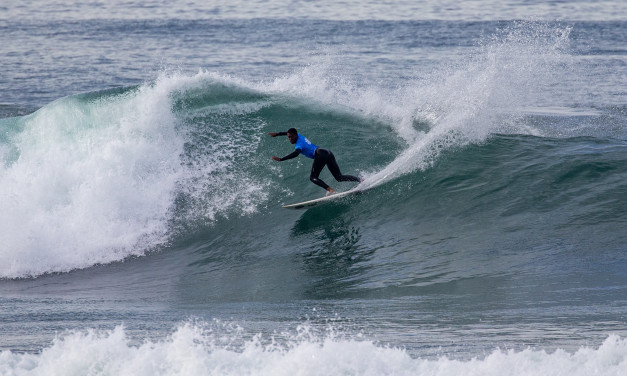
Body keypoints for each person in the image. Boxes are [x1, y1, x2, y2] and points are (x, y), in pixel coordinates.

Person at [268, 128, 361, 196]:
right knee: (339, 177)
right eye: (289, 137)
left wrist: (281, 159)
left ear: (296, 135)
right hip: (327, 152)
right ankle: (360, 180)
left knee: (313, 177)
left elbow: (296, 154)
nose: (290, 139)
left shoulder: (299, 145)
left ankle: (330, 190)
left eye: (292, 137)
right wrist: (277, 134)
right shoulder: (299, 135)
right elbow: (288, 132)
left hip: (320, 154)